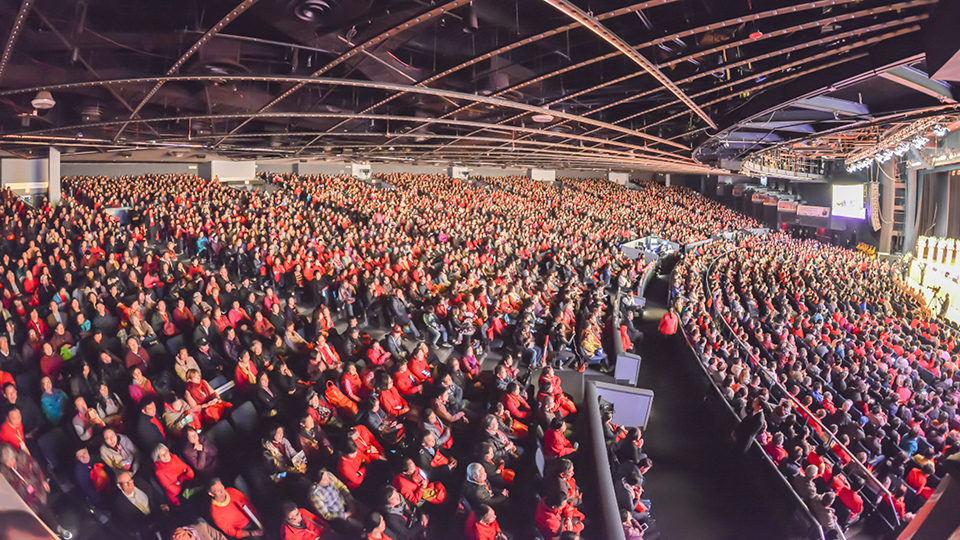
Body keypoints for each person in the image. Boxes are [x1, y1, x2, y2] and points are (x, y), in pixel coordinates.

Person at [1, 443, 68, 538]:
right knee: (34, 520)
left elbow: (36, 468)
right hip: (23, 498)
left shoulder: (24, 457)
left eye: (10, 462)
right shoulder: (3, 471)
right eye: (6, 463)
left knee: (45, 509)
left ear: (14, 457)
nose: (9, 465)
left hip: (36, 489)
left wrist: (42, 480)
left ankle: (57, 529)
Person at [111, 470, 166, 540]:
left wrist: (162, 504)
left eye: (131, 481)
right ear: (119, 486)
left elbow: (154, 493)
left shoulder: (140, 481)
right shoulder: (120, 504)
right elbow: (131, 524)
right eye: (126, 483)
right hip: (147, 529)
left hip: (160, 515)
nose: (130, 484)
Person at [309, 468, 361, 535]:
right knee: (358, 527)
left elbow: (341, 487)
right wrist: (345, 515)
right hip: (338, 518)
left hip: (345, 504)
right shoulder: (314, 495)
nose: (328, 480)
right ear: (316, 483)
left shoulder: (329, 475)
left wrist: (350, 501)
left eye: (327, 476)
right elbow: (326, 515)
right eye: (324, 480)